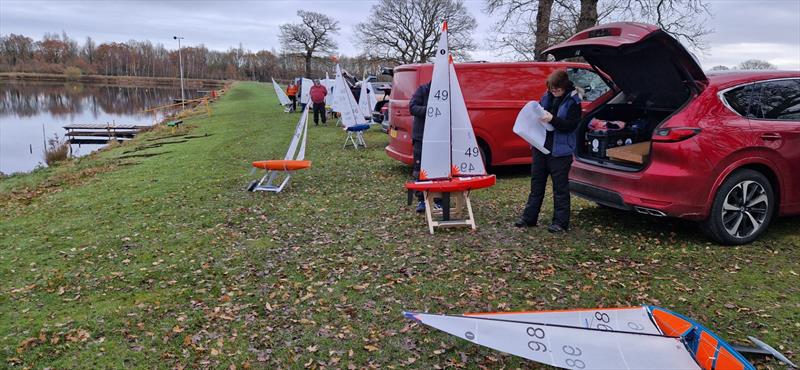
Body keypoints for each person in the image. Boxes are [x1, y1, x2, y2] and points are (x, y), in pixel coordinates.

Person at [515, 69, 581, 233]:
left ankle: (560, 222)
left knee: (560, 188)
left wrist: (553, 119)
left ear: (564, 86)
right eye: (551, 88)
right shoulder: (546, 97)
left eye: (557, 89)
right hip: (540, 147)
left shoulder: (574, 102)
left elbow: (571, 126)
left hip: (560, 150)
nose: (554, 91)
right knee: (536, 185)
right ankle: (529, 218)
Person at [409, 81, 435, 213]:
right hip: (421, 137)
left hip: (438, 138)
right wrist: (429, 110)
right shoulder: (423, 89)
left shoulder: (448, 91)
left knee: (437, 169)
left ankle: (438, 200)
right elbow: (412, 107)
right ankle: (421, 200)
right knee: (419, 170)